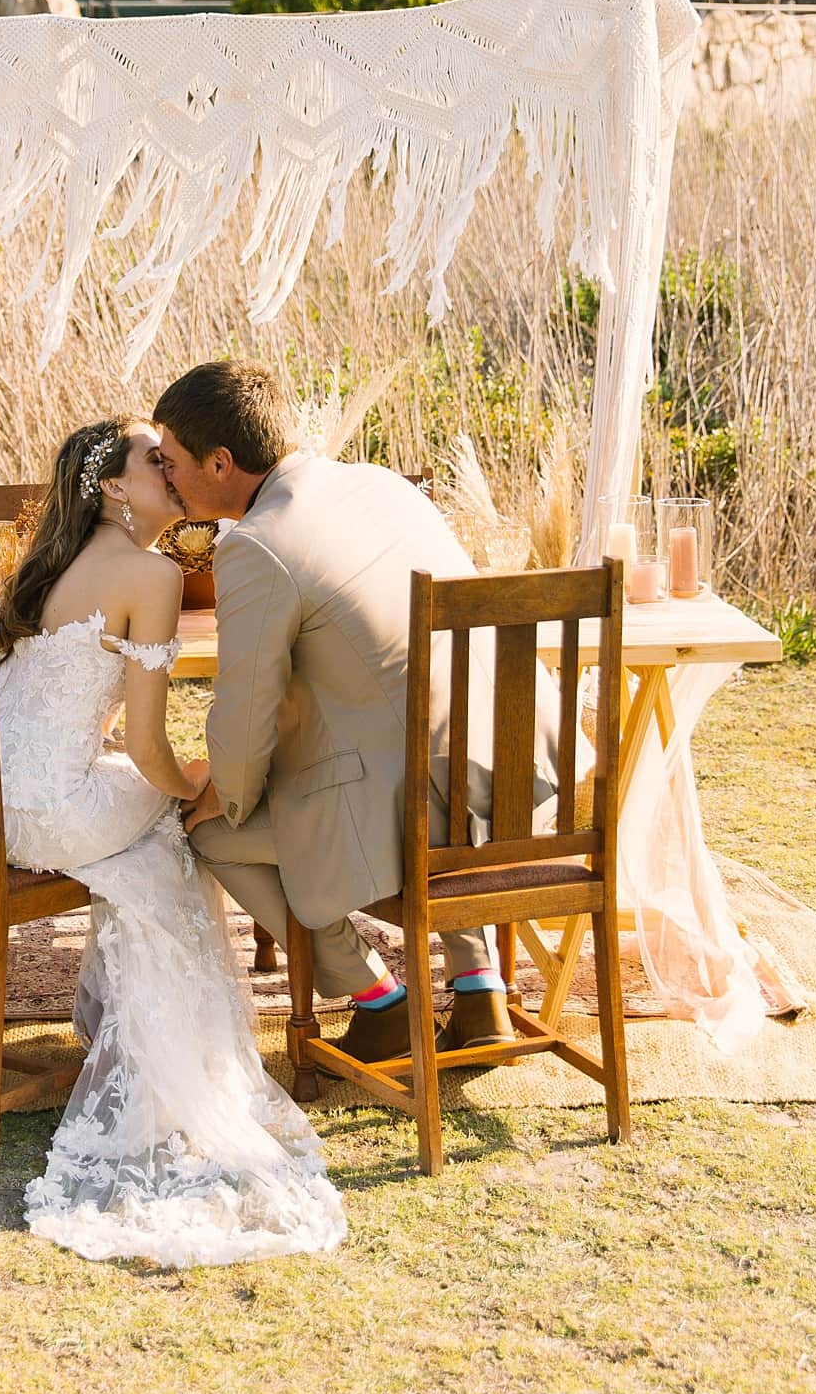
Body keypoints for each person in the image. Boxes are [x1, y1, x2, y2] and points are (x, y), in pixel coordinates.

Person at [0, 415, 346, 1269]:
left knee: (142, 814)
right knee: (169, 828)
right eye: (155, 461)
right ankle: (163, 1063)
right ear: (114, 487)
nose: (173, 469)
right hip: (37, 803)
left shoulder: (51, 563)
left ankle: (126, 1023)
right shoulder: (150, 574)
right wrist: (207, 791)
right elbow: (153, 751)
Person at [154, 359, 561, 1063]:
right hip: (518, 779)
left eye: (172, 461)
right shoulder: (382, 484)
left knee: (210, 831)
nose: (164, 475)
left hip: (421, 813)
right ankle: (478, 987)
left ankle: (380, 1002)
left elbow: (244, 714)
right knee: (398, 738)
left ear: (220, 463)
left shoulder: (256, 546)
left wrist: (225, 788)